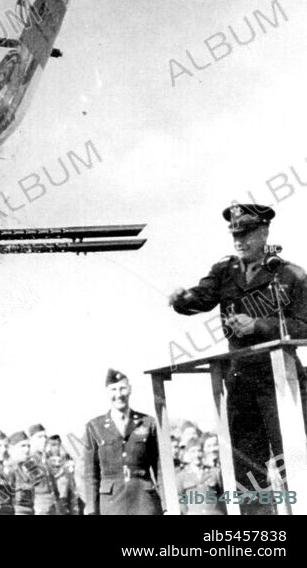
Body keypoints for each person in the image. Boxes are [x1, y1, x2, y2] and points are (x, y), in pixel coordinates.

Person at [169, 204, 307, 513]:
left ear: (264, 232)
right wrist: (182, 300)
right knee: (248, 471)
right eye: (235, 236)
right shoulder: (224, 272)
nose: (239, 242)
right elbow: (200, 298)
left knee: (297, 463)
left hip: (282, 383)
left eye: (246, 235)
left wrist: (259, 325)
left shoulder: (289, 274)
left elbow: (305, 327)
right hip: (241, 380)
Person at [82, 368, 163, 515]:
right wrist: (92, 510)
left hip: (143, 502)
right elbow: (90, 474)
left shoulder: (148, 423)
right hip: (112, 505)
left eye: (122, 388)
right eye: (113, 390)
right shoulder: (94, 427)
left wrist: (166, 506)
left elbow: (160, 467)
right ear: (107, 392)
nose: (118, 395)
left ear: (130, 390)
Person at [176, 437, 225, 515]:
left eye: (199, 451)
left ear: (203, 452)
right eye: (193, 451)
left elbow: (222, 496)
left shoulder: (214, 472)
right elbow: (180, 498)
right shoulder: (181, 476)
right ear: (188, 453)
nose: (196, 455)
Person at [26, 423, 60, 515]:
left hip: (53, 507)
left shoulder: (45, 460)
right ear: (30, 439)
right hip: (39, 508)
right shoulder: (28, 462)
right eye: (39, 437)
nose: (44, 440)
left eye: (45, 437)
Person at [46, 434, 81, 515]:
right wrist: (63, 469)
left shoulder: (66, 457)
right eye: (53, 445)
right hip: (56, 495)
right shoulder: (45, 460)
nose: (56, 448)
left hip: (69, 492)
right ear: (49, 446)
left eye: (58, 445)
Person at [4, 431, 35, 515]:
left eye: (28, 446)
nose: (27, 450)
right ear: (11, 448)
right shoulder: (8, 469)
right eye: (22, 446)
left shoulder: (26, 469)